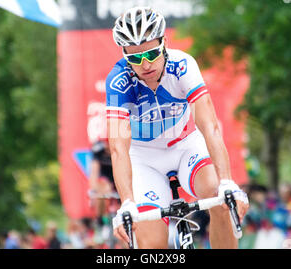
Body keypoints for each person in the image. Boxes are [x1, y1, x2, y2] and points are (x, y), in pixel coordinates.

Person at [107, 6, 249, 249]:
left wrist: (227, 181)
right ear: (124, 55)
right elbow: (119, 148)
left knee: (220, 200)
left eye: (151, 53)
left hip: (185, 147)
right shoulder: (119, 82)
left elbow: (209, 127)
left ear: (163, 42)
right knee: (152, 244)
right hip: (145, 161)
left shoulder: (183, 66)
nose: (145, 64)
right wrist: (127, 202)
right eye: (135, 58)